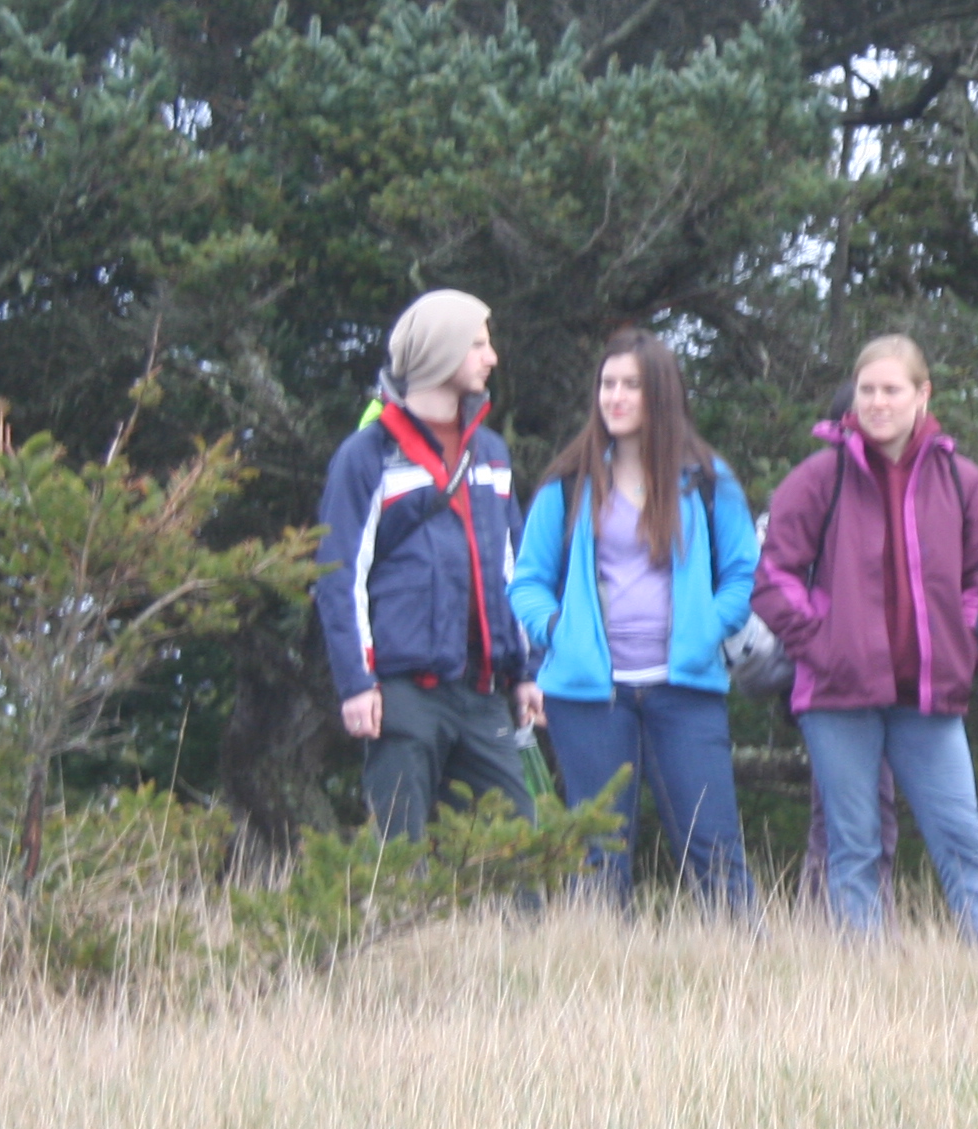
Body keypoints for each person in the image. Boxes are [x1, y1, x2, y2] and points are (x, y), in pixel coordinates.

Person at [752, 335, 978, 950]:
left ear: (923, 395)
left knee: (962, 843)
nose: (877, 402)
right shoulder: (819, 478)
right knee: (854, 847)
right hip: (836, 697)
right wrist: (821, 644)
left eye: (891, 390)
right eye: (867, 390)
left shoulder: (962, 481)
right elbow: (772, 576)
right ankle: (865, 981)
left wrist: (963, 643)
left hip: (928, 697)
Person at [511, 327, 760, 912]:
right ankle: (597, 966)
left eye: (631, 385)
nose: (615, 396)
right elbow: (527, 582)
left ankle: (747, 959)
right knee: (597, 854)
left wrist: (708, 628)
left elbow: (744, 574)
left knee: (714, 845)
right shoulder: (568, 481)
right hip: (588, 694)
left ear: (661, 394)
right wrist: (559, 632)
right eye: (608, 384)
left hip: (686, 688)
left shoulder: (707, 479)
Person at [314, 288, 542, 838]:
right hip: (401, 692)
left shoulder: (491, 453)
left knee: (516, 848)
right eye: (478, 345)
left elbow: (514, 569)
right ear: (440, 353)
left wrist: (526, 673)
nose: (492, 358)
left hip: (482, 690)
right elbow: (338, 578)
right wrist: (356, 684)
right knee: (399, 855)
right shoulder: (365, 456)